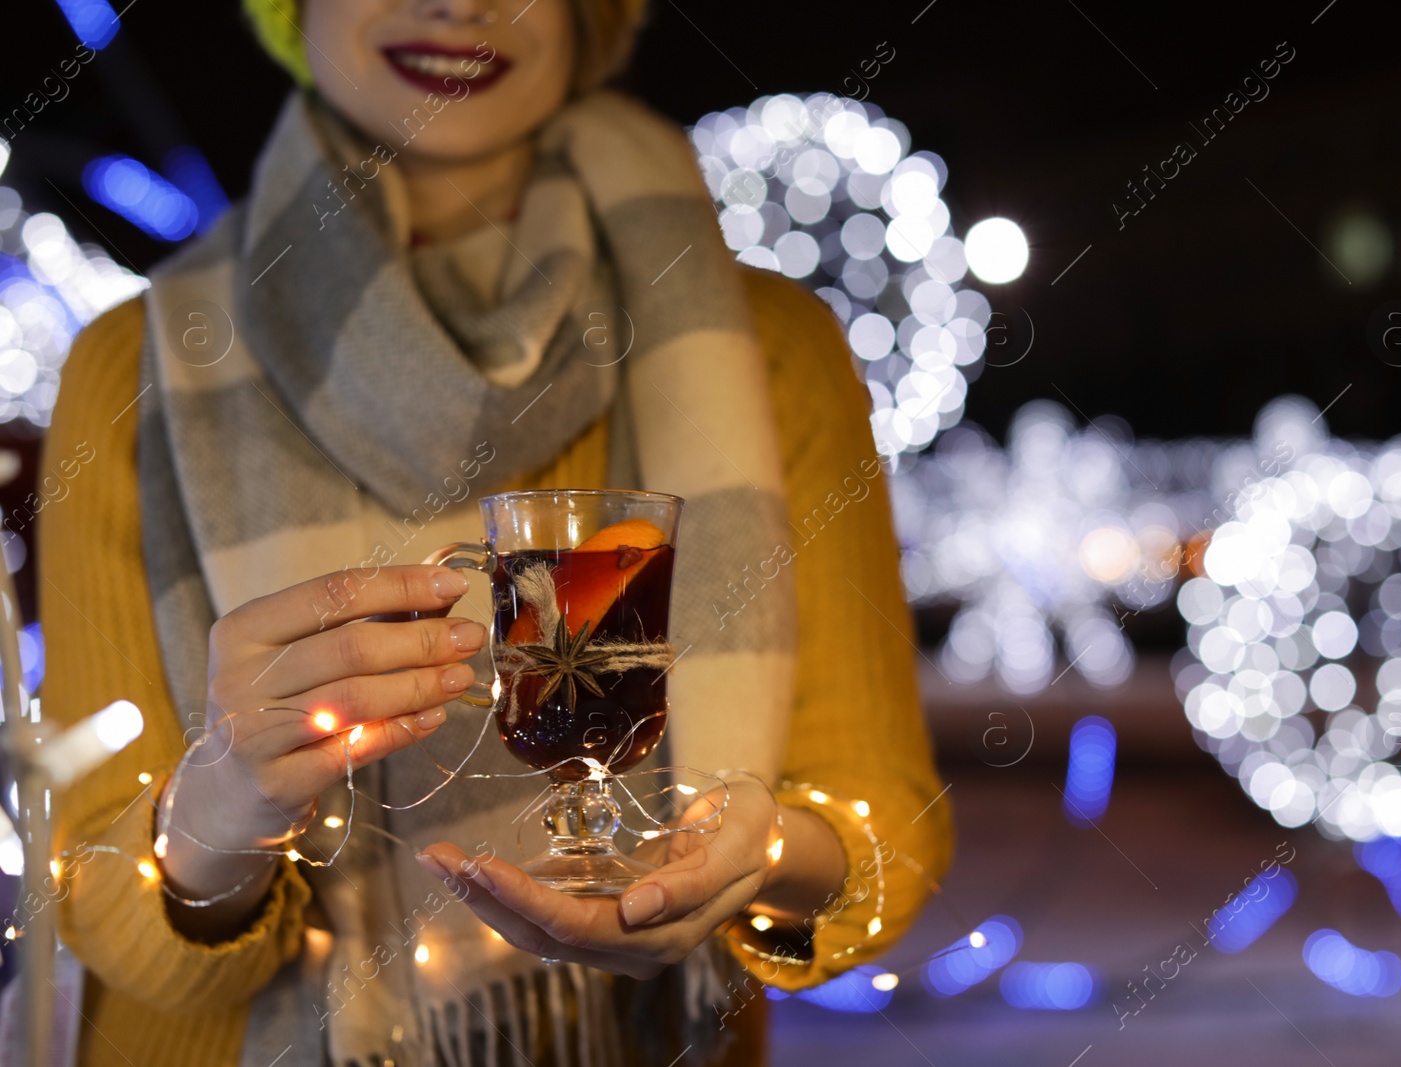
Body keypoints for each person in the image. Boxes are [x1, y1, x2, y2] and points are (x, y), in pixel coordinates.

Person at [37, 1, 951, 1064]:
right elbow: (92, 901)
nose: (458, 3)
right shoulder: (136, 367)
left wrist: (755, 857)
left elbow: (887, 830)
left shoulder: (767, 350)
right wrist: (223, 808)